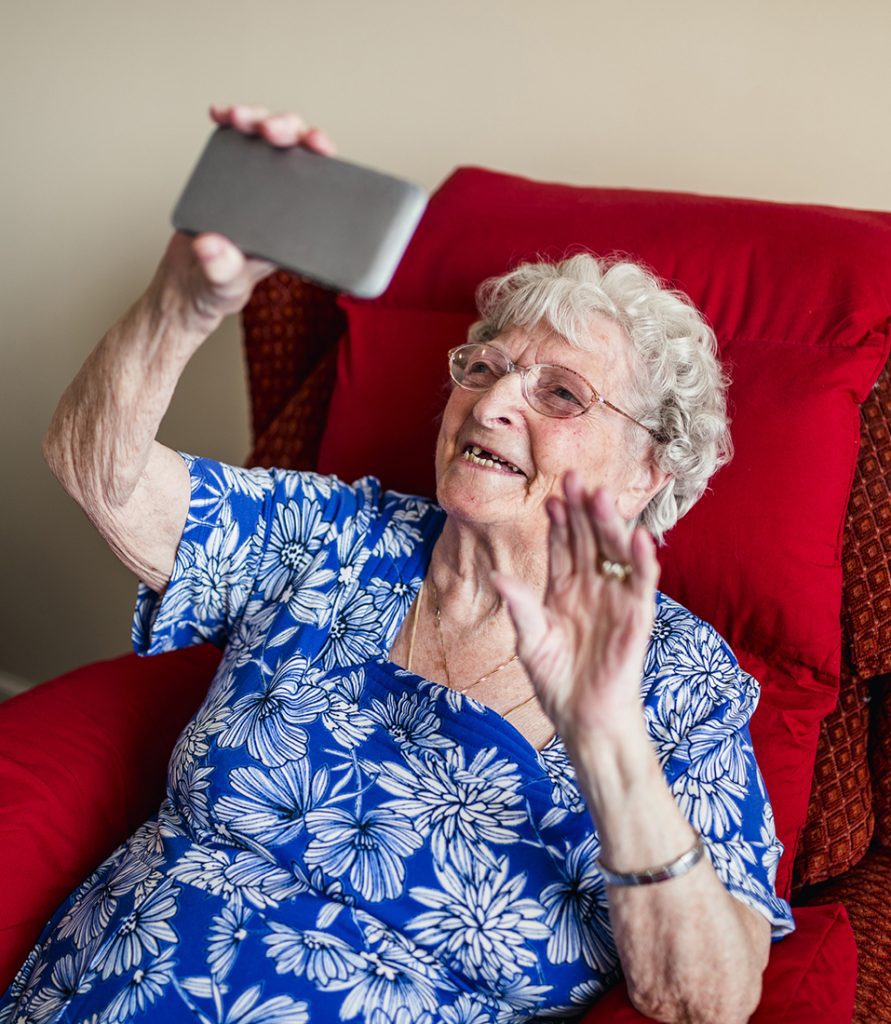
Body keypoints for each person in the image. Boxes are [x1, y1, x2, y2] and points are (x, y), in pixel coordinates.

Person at [0, 104, 793, 1024]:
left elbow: (711, 1002)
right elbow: (98, 473)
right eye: (483, 368)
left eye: (560, 393)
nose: (492, 402)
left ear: (645, 472)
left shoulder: (681, 683)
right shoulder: (339, 537)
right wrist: (182, 305)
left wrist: (607, 736)